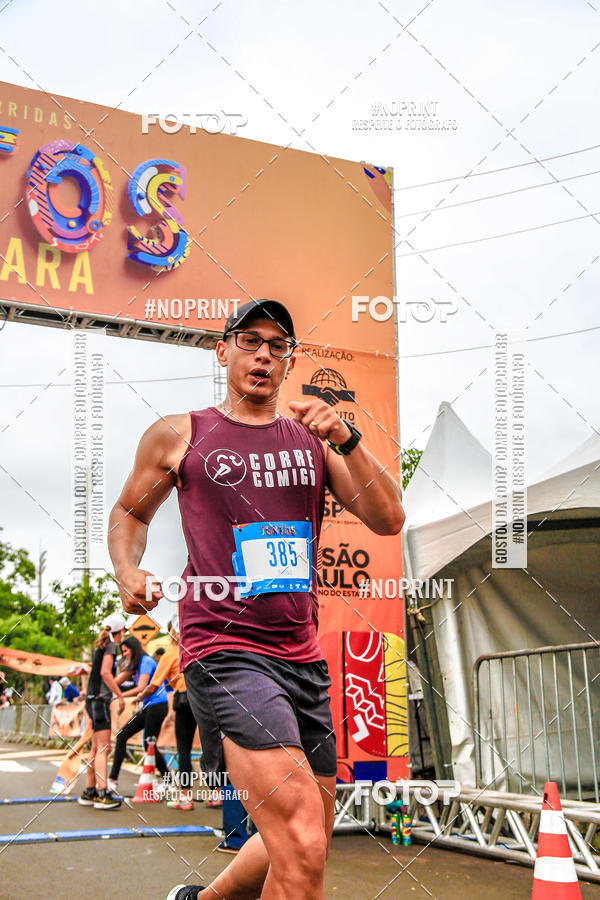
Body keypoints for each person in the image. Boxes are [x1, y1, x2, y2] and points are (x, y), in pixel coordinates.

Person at [108, 298, 405, 900]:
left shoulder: (316, 440)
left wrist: (348, 437)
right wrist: (126, 568)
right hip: (225, 649)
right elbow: (130, 512)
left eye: (277, 345)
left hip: (301, 656)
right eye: (249, 341)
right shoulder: (180, 434)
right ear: (223, 351)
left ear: (290, 360)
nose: (263, 355)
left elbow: (389, 517)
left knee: (306, 832)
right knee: (300, 839)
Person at [138, 615, 197, 810]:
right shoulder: (196, 647)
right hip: (204, 699)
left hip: (184, 700)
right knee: (212, 745)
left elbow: (153, 685)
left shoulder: (170, 653)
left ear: (171, 631)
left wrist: (138, 697)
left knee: (184, 748)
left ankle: (185, 797)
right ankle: (218, 794)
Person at [107, 635, 169, 792]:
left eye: (126, 651)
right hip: (147, 706)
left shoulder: (146, 662)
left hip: (158, 705)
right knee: (122, 737)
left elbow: (141, 687)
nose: (124, 654)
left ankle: (168, 781)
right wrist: (103, 686)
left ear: (133, 649)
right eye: (122, 651)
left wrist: (119, 696)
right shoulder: (134, 665)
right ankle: (112, 780)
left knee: (149, 743)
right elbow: (116, 681)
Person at [78, 612, 126, 810]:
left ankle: (90, 791)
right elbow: (105, 672)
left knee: (96, 748)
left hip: (92, 700)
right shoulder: (111, 646)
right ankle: (103, 793)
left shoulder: (100, 646)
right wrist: (119, 694)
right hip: (99, 700)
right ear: (120, 631)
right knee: (104, 748)